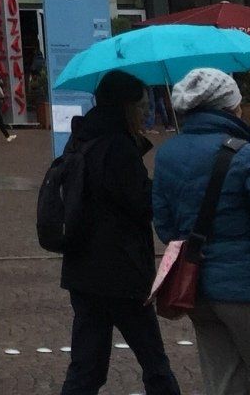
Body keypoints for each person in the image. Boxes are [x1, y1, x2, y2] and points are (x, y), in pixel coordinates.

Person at [152, 67, 250, 395]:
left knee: (223, 384)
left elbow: (166, 227)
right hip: (249, 286)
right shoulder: (245, 155)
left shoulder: (167, 154)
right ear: (229, 107)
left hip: (196, 287)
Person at [56, 69, 182, 394]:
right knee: (154, 363)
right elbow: (138, 202)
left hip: (83, 268)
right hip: (121, 270)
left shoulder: (81, 138)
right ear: (125, 107)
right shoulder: (117, 147)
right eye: (141, 106)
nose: (144, 113)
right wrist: (160, 187)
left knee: (86, 368)